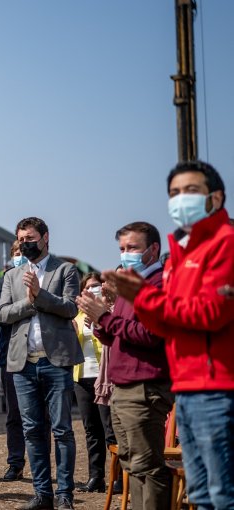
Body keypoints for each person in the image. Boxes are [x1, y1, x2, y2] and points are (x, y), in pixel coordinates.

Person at [103, 161, 234, 510]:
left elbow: (211, 313)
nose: (180, 200)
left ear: (215, 198)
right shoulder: (179, 254)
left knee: (222, 494)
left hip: (216, 386)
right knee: (203, 494)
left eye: (190, 191)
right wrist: (107, 313)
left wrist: (141, 298)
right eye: (173, 193)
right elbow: (165, 324)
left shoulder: (226, 243)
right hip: (186, 387)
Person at [78, 221, 172, 509]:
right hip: (123, 387)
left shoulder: (157, 285)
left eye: (132, 247)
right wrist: (98, 317)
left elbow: (151, 334)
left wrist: (105, 318)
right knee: (133, 465)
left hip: (144, 387)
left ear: (153, 249)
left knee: (148, 466)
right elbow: (112, 335)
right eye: (121, 248)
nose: (125, 254)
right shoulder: (128, 286)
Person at [0, 217, 82, 510]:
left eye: (31, 238)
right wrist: (30, 302)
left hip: (55, 361)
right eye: (21, 239)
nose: (25, 243)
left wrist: (40, 294)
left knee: (62, 430)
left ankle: (65, 494)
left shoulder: (66, 270)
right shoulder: (11, 275)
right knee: (32, 430)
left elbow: (70, 308)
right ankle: (42, 494)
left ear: (45, 237)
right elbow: (3, 314)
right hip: (23, 363)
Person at [70, 272, 115, 494]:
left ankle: (118, 479)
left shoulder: (109, 312)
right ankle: (95, 477)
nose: (92, 290)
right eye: (88, 288)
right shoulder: (76, 316)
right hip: (82, 376)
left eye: (97, 286)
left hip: (104, 377)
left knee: (110, 430)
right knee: (91, 430)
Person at [0, 240, 26, 481]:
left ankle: (42, 465)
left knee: (40, 416)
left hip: (38, 356)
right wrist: (18, 309)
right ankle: (15, 463)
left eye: (23, 252)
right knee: (14, 413)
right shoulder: (4, 281)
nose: (20, 256)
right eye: (17, 253)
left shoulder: (44, 277)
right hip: (11, 356)